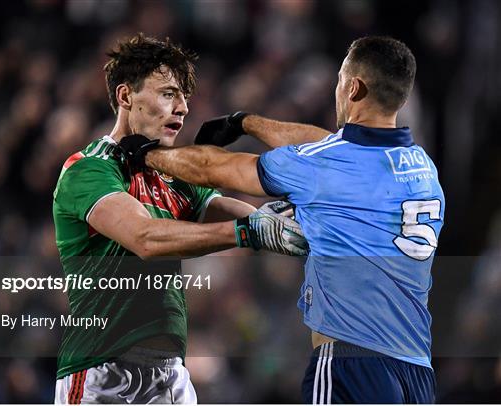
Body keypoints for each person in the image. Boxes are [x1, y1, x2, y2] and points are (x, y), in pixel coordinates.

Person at [143, 36, 444, 403]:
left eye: (339, 79)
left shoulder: (328, 165)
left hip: (350, 362)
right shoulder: (422, 167)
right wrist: (246, 123)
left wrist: (148, 156)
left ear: (353, 87)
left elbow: (212, 168)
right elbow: (327, 145)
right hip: (415, 369)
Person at [52, 33, 307, 404]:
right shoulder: (87, 170)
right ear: (126, 97)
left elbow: (256, 220)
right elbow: (145, 239)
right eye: (169, 94)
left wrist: (290, 218)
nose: (184, 107)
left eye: (185, 96)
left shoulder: (175, 178)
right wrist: (248, 232)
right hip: (102, 372)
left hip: (170, 375)